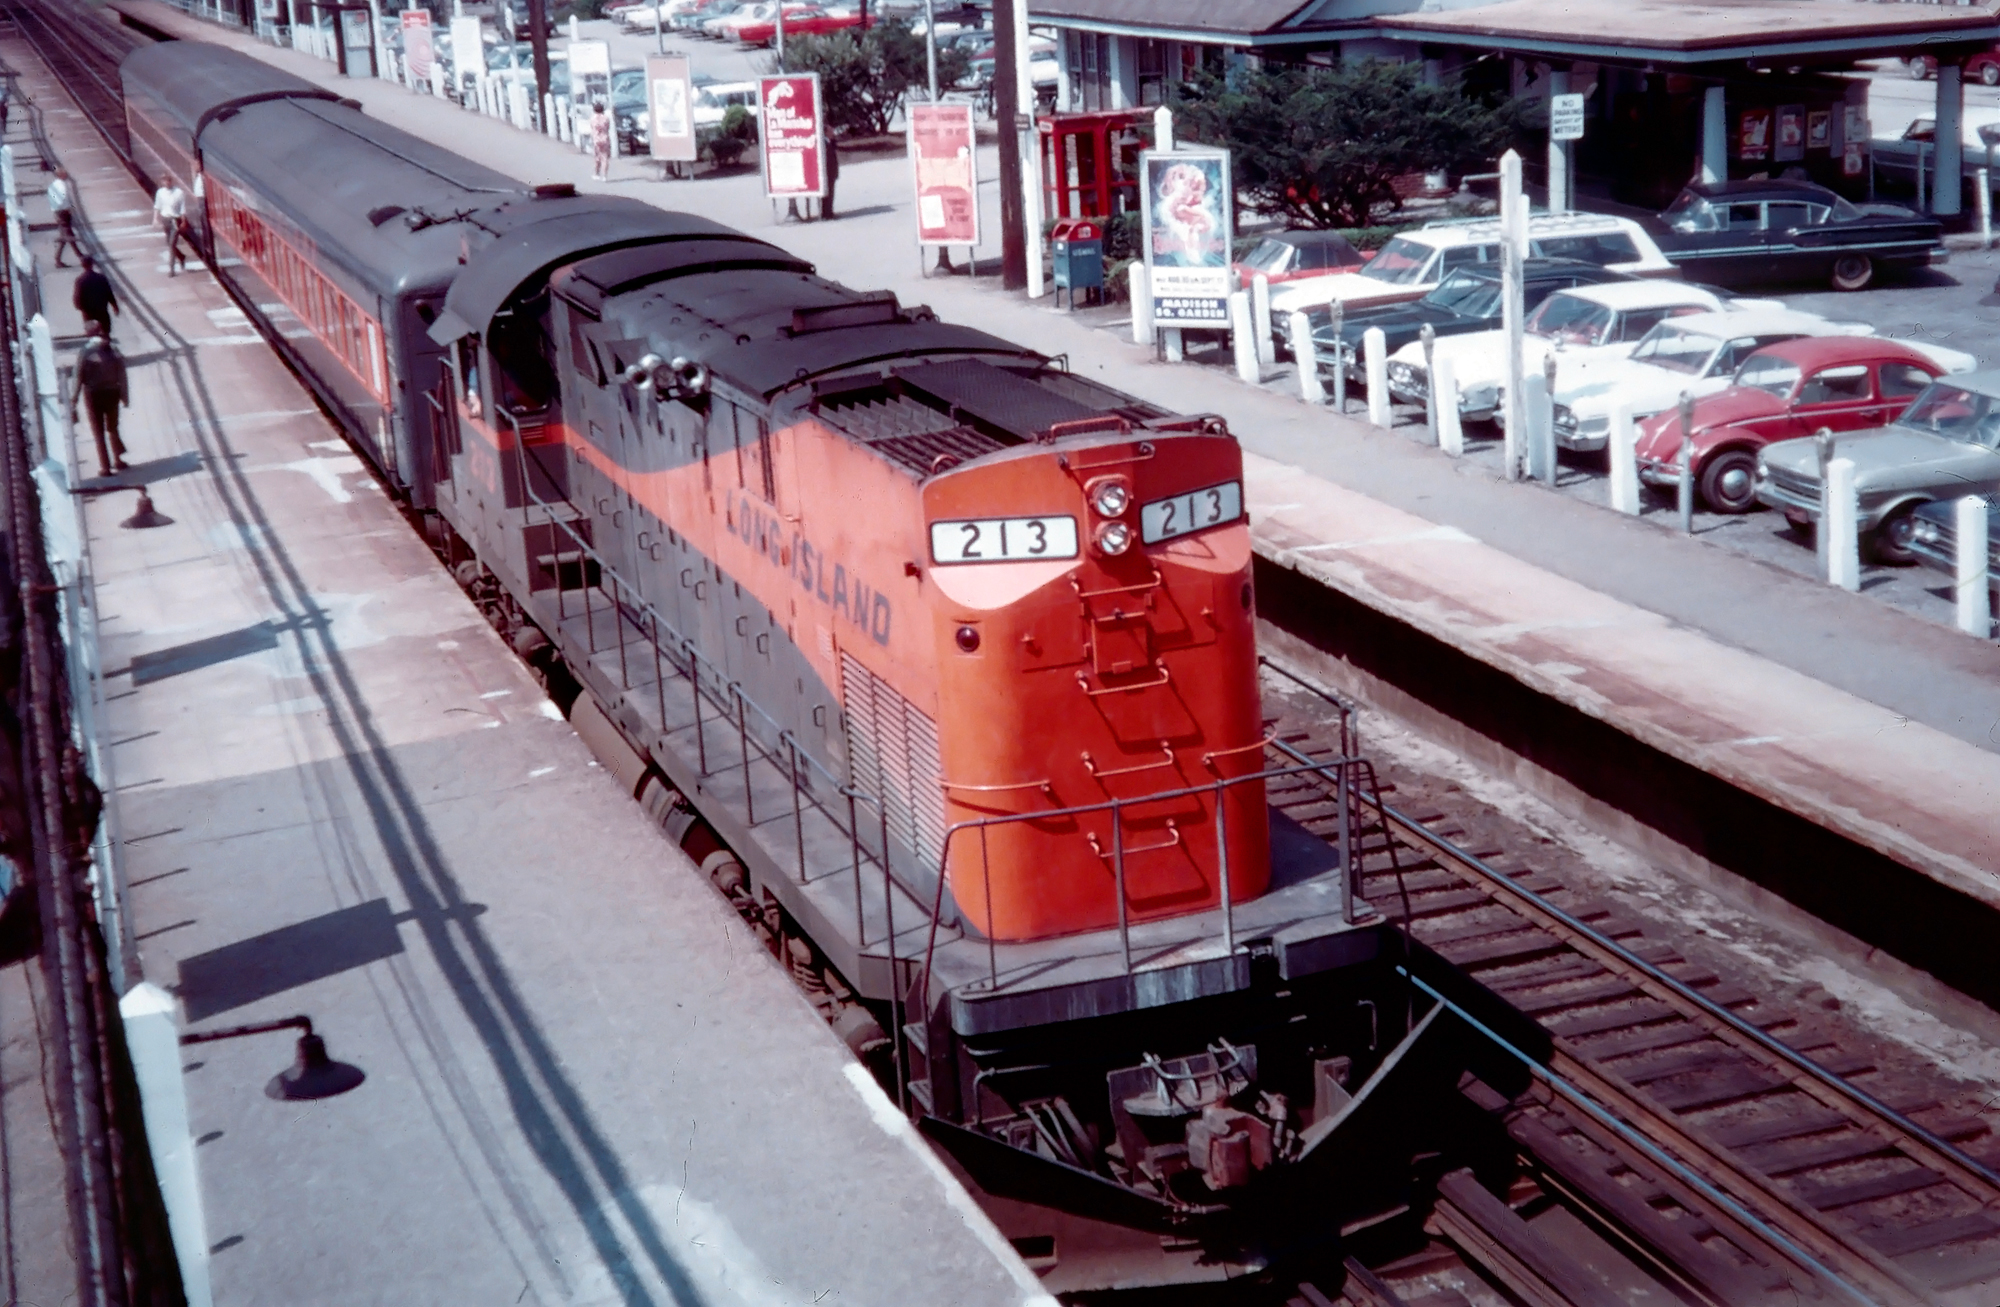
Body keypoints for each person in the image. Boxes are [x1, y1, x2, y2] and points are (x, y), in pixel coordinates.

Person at [68, 326, 127, 477]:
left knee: (98, 432)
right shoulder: (113, 349)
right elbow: (122, 375)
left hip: (93, 395)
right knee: (113, 427)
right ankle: (118, 460)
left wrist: (73, 399)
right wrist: (124, 396)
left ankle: (105, 467)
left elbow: (78, 376)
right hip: (112, 392)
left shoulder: (85, 351)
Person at [72, 255, 118, 336]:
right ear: (92, 264)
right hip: (102, 309)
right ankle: (105, 343)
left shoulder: (80, 280)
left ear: (82, 265)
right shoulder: (101, 278)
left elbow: (77, 296)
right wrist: (115, 306)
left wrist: (80, 307)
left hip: (88, 312)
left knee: (91, 332)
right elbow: (109, 293)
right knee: (105, 330)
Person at [47, 165, 79, 269]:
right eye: (64, 173)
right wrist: (69, 208)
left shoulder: (53, 185)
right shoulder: (62, 185)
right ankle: (79, 256)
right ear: (61, 174)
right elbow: (64, 199)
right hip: (64, 213)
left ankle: (61, 259)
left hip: (57, 212)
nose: (66, 174)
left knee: (66, 236)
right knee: (68, 235)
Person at [153, 180, 186, 274]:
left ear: (171, 182)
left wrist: (183, 221)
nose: (167, 183)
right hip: (165, 219)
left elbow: (182, 208)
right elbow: (157, 206)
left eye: (168, 181)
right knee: (170, 244)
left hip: (175, 220)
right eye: (164, 181)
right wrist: (155, 218)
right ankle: (181, 256)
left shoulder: (178, 192)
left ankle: (171, 269)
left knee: (171, 245)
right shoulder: (160, 192)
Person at [590, 101, 611, 182]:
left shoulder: (592, 118)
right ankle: (605, 176)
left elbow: (592, 127)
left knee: (597, 157)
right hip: (605, 139)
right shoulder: (606, 118)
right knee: (605, 158)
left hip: (596, 139)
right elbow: (608, 128)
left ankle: (596, 174)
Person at [821, 134, 839, 220]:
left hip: (832, 171)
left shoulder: (830, 142)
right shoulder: (823, 143)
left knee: (831, 193)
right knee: (826, 193)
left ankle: (829, 211)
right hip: (827, 172)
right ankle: (826, 213)